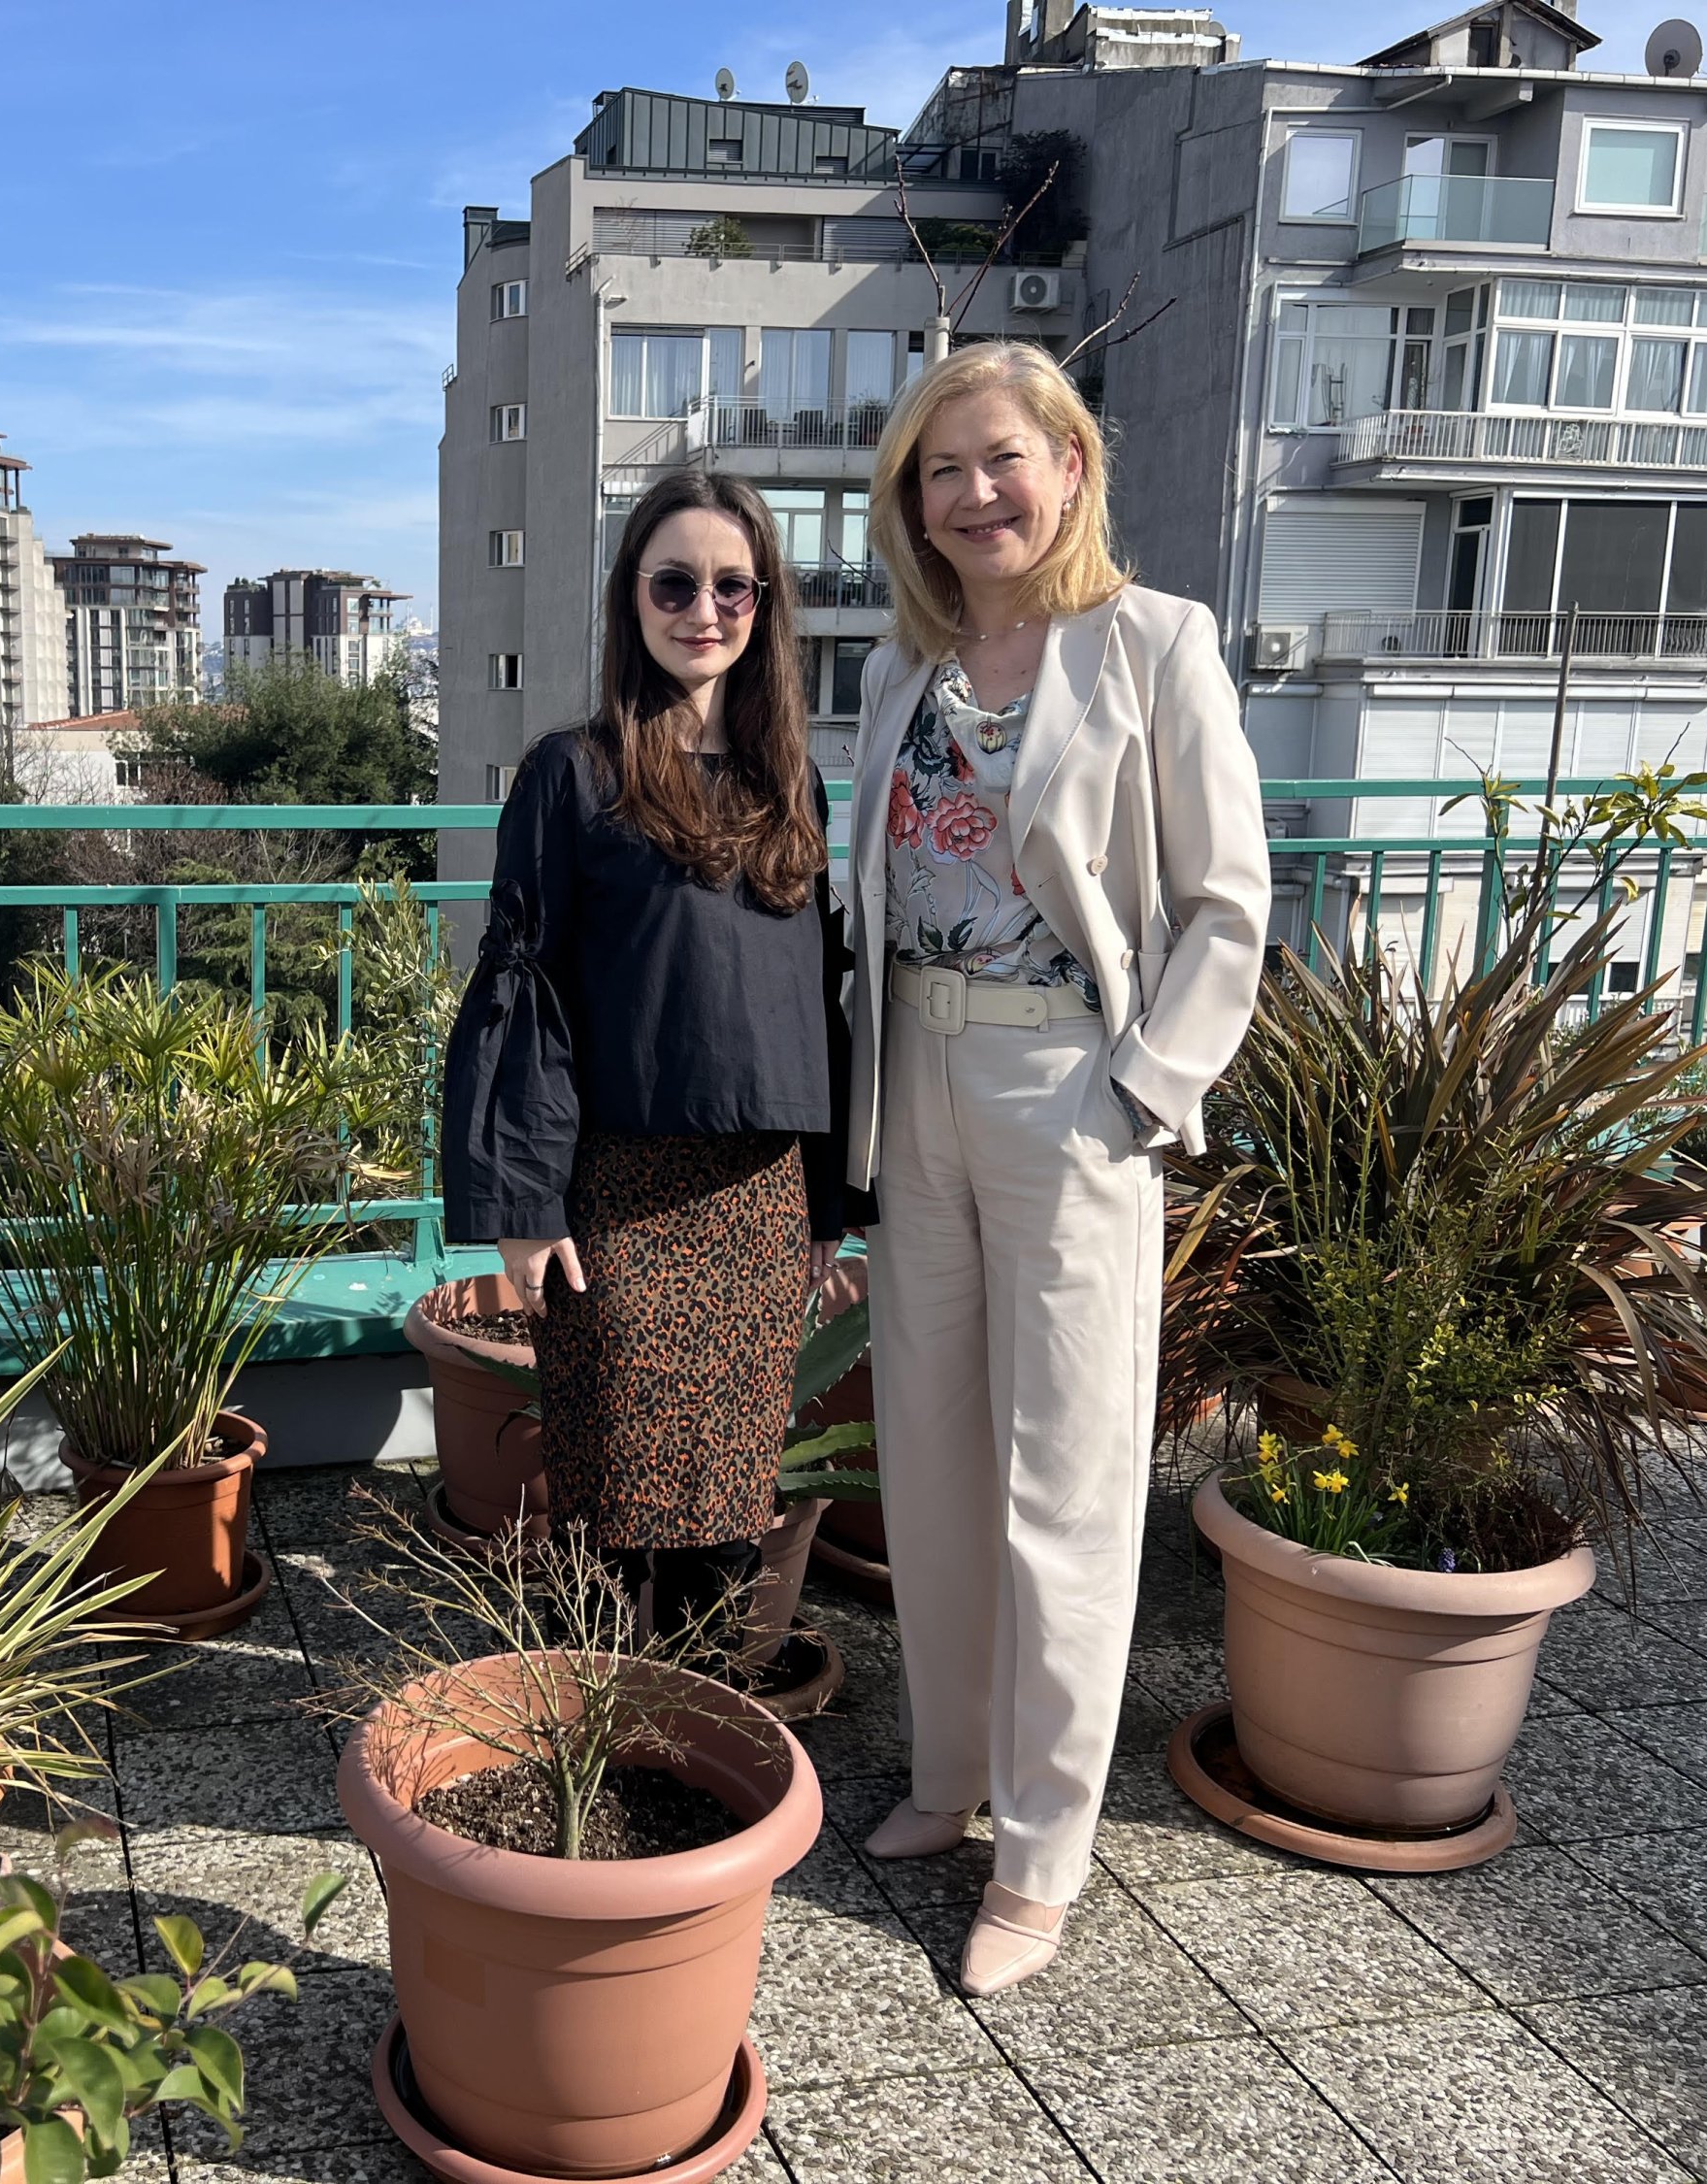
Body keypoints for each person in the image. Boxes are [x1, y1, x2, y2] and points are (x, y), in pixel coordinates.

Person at [843, 342, 1268, 1995]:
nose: (973, 494)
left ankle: (1040, 1851)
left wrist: (1144, 1091)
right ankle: (948, 1772)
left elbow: (1227, 902)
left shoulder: (1154, 643)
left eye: (1001, 459)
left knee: (1066, 1481)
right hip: (915, 1083)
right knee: (930, 1461)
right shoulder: (905, 667)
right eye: (939, 471)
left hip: (1067, 1087)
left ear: (1071, 466)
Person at [443, 467, 849, 1652]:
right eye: (674, 584)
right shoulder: (572, 773)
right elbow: (522, 985)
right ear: (632, 596)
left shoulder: (794, 785)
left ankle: (705, 1729)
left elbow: (821, 1002)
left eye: (732, 587)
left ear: (763, 604)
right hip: (615, 1195)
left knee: (727, 1516)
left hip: (758, 1199)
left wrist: (827, 1201)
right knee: (613, 1510)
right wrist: (523, 1205)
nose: (703, 610)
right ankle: (603, 1736)